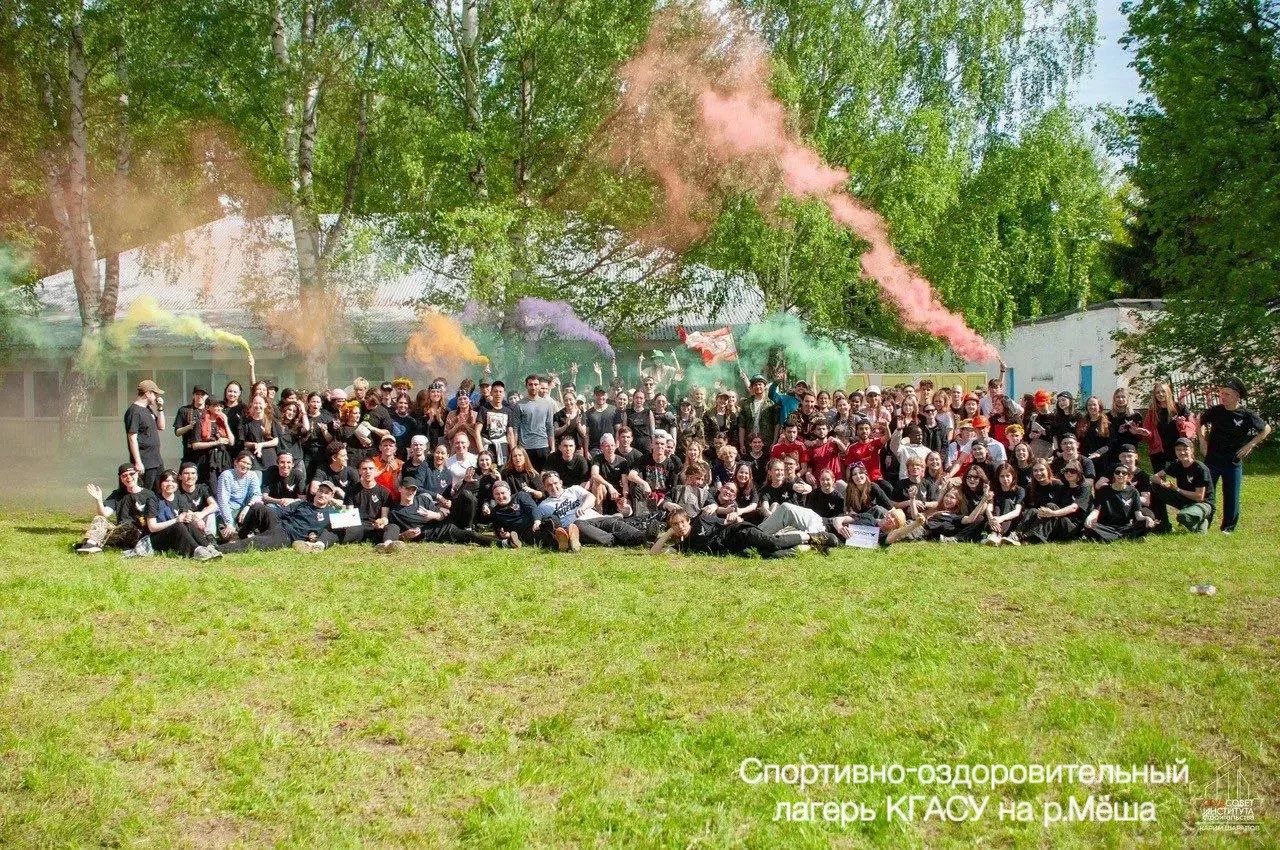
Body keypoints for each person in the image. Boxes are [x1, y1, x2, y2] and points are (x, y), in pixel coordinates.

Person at [1198, 377, 1271, 533]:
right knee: (1207, 493)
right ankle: (1204, 524)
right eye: (1222, 394)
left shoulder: (1246, 414)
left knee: (1231, 495)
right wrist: (1202, 441)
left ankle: (1228, 528)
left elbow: (1266, 429)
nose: (1223, 397)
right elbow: (1200, 422)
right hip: (1212, 460)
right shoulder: (1216, 411)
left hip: (1232, 462)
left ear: (1237, 396)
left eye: (1227, 394)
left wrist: (1251, 444)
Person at [218, 482, 341, 553]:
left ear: (331, 496)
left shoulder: (332, 514)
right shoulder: (301, 504)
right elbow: (279, 513)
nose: (322, 494)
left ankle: (219, 549)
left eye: (326, 493)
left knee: (255, 542)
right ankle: (240, 535)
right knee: (258, 507)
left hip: (289, 536)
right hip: (280, 525)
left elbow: (348, 519)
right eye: (320, 491)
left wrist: (339, 503)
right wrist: (266, 512)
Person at [650, 507, 806, 558]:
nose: (680, 526)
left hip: (739, 533)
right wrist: (668, 533)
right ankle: (804, 548)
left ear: (688, 521)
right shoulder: (684, 546)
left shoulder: (702, 520)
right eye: (675, 524)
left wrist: (735, 518)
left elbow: (728, 522)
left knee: (771, 542)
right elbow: (653, 553)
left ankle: (809, 536)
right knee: (767, 555)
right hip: (735, 548)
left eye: (682, 522)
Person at [144, 469, 224, 561]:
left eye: (173, 481)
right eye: (166, 481)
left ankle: (208, 547)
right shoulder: (153, 500)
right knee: (178, 525)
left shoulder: (179, 498)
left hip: (175, 537)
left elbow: (186, 514)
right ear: (160, 483)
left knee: (187, 524)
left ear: (177, 484)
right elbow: (152, 528)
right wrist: (176, 520)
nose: (170, 484)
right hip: (157, 540)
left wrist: (190, 518)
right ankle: (196, 551)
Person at [75, 464, 152, 554]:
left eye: (132, 474)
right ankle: (90, 545)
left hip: (138, 533)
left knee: (130, 527)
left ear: (137, 474)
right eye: (124, 475)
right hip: (121, 532)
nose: (129, 477)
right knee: (100, 519)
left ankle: (94, 542)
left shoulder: (149, 495)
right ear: (121, 479)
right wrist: (99, 500)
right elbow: (104, 514)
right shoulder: (117, 494)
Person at [1150, 437, 1214, 533]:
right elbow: (1154, 477)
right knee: (1155, 487)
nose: (1182, 452)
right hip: (1185, 499)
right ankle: (1163, 525)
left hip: (1203, 503)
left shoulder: (1200, 468)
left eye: (1185, 449)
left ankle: (1202, 521)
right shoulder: (1177, 464)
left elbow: (1199, 497)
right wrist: (1163, 483)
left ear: (1192, 450)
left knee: (1183, 516)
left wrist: (1177, 489)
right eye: (1178, 450)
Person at [1083, 465, 1157, 542]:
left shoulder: (1134, 492)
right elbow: (1096, 510)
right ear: (1114, 475)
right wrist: (1090, 518)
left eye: (1124, 473)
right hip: (1106, 527)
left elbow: (1138, 515)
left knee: (1147, 523)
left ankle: (1112, 537)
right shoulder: (1104, 490)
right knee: (1089, 526)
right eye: (1117, 472)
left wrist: (1147, 518)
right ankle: (1127, 537)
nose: (1120, 475)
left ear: (1129, 476)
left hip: (1126, 527)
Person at [125, 379, 166, 492]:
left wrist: (160, 408)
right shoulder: (134, 411)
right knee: (145, 492)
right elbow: (132, 437)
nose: (156, 397)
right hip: (145, 461)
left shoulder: (148, 409)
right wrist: (138, 462)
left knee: (160, 491)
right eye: (155, 394)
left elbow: (161, 426)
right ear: (147, 393)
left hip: (156, 459)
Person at [1142, 381, 1192, 473]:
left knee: (1184, 477)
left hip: (1179, 449)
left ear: (1168, 392)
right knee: (1159, 479)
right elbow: (1147, 429)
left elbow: (1191, 426)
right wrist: (1144, 433)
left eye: (1163, 391)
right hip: (1159, 450)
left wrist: (1182, 424)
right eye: (1157, 392)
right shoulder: (1153, 410)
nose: (1160, 394)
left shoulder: (1180, 407)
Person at [216, 451, 263, 541]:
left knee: (258, 505)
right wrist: (229, 523)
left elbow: (257, 495)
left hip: (243, 510)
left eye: (248, 464)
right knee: (227, 535)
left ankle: (248, 534)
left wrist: (248, 507)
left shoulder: (252, 475)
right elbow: (223, 501)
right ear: (235, 462)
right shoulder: (226, 475)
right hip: (227, 510)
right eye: (243, 462)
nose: (245, 466)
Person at [517, 374, 556, 468]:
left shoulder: (547, 404)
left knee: (545, 474)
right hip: (526, 447)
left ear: (539, 386)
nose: (533, 387)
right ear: (526, 386)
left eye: (535, 384)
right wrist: (515, 448)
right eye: (530, 384)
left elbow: (550, 427)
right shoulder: (519, 405)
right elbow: (515, 429)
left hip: (543, 446)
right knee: (528, 474)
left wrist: (553, 448)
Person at [173, 385, 209, 466]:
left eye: (202, 394)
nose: (200, 396)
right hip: (189, 453)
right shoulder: (184, 410)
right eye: (197, 394)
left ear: (207, 396)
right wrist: (189, 427)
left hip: (207, 454)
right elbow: (177, 432)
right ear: (193, 395)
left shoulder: (209, 411)